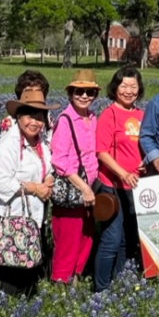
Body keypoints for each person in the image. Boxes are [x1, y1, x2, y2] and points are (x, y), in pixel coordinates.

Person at [0, 89, 58, 296]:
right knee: (11, 268)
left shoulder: (40, 142)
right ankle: (8, 313)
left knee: (28, 266)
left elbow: (49, 168)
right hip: (11, 215)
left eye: (39, 117)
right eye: (29, 116)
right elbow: (1, 183)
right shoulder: (7, 145)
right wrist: (35, 188)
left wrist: (49, 180)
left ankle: (25, 310)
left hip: (32, 215)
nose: (34, 122)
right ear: (18, 117)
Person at [94, 66, 146, 291]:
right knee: (112, 239)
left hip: (135, 187)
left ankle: (118, 281)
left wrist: (147, 161)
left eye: (133, 86)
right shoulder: (109, 114)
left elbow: (146, 144)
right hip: (112, 186)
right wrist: (123, 172)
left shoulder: (142, 115)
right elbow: (101, 152)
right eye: (124, 85)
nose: (128, 90)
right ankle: (101, 289)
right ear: (115, 88)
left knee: (127, 238)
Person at [49, 70, 100, 284]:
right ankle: (60, 282)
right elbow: (59, 161)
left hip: (91, 187)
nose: (85, 96)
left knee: (86, 236)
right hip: (73, 189)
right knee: (68, 239)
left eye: (90, 92)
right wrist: (84, 188)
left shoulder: (92, 118)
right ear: (71, 93)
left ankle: (76, 277)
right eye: (79, 91)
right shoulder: (65, 119)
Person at [0, 70, 52, 136]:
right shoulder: (8, 123)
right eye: (29, 92)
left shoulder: (48, 119)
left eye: (37, 92)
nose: (33, 96)